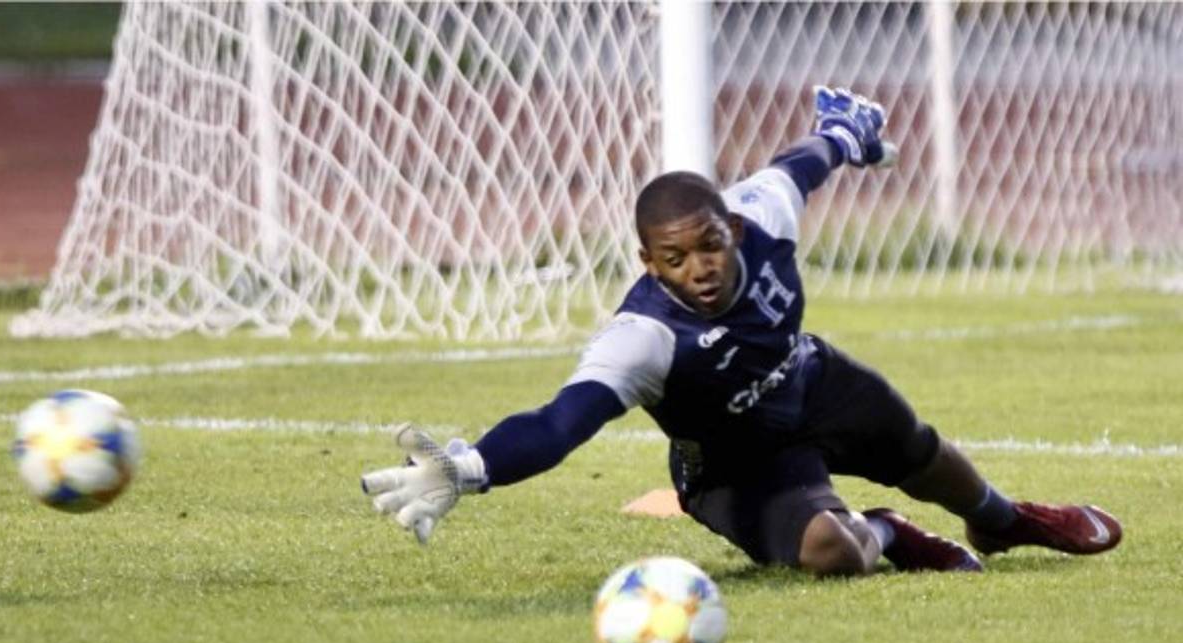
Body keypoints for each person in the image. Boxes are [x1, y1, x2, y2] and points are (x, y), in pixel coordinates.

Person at [360, 86, 1122, 576]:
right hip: (731, 464)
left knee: (922, 450)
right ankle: (888, 532)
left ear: (732, 225)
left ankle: (1002, 521)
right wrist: (470, 466)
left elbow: (807, 160)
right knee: (831, 552)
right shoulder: (643, 339)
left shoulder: (764, 212)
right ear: (648, 263)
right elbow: (559, 423)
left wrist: (846, 131)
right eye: (674, 258)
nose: (699, 267)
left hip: (807, 380)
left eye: (710, 245)